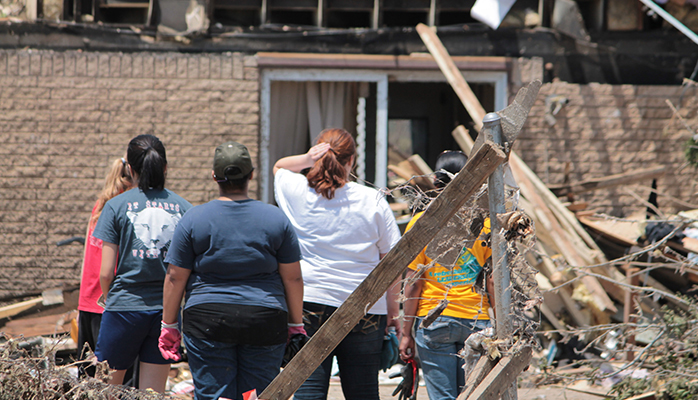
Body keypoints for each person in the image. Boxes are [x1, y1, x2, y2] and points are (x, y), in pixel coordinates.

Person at [159, 141, 305, 400]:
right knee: (257, 395)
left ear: (214, 177)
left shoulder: (194, 218)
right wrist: (295, 324)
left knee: (216, 396)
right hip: (264, 319)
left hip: (207, 321)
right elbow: (292, 277)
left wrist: (169, 325)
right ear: (251, 175)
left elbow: (174, 276)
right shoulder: (276, 219)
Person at [273, 128, 402, 400]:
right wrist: (392, 311)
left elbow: (280, 166)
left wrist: (308, 158)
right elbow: (392, 262)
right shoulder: (373, 200)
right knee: (364, 391)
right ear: (352, 162)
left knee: (308, 390)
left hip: (309, 302)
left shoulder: (297, 192)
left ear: (317, 156)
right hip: (365, 307)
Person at [92, 134, 192, 392]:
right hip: (166, 314)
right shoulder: (184, 208)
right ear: (165, 167)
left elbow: (105, 273)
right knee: (153, 393)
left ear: (130, 169)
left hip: (123, 308)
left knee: (107, 391)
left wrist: (108, 298)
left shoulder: (115, 206)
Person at [398, 150, 494, 400]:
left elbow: (413, 283)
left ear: (436, 183)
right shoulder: (485, 225)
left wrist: (406, 333)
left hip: (434, 321)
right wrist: (500, 324)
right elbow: (493, 279)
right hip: (477, 320)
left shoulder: (422, 222)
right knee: (473, 395)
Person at [77, 157, 133, 377]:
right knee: (114, 375)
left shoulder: (99, 206)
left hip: (88, 298)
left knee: (88, 373)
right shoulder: (125, 208)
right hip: (108, 299)